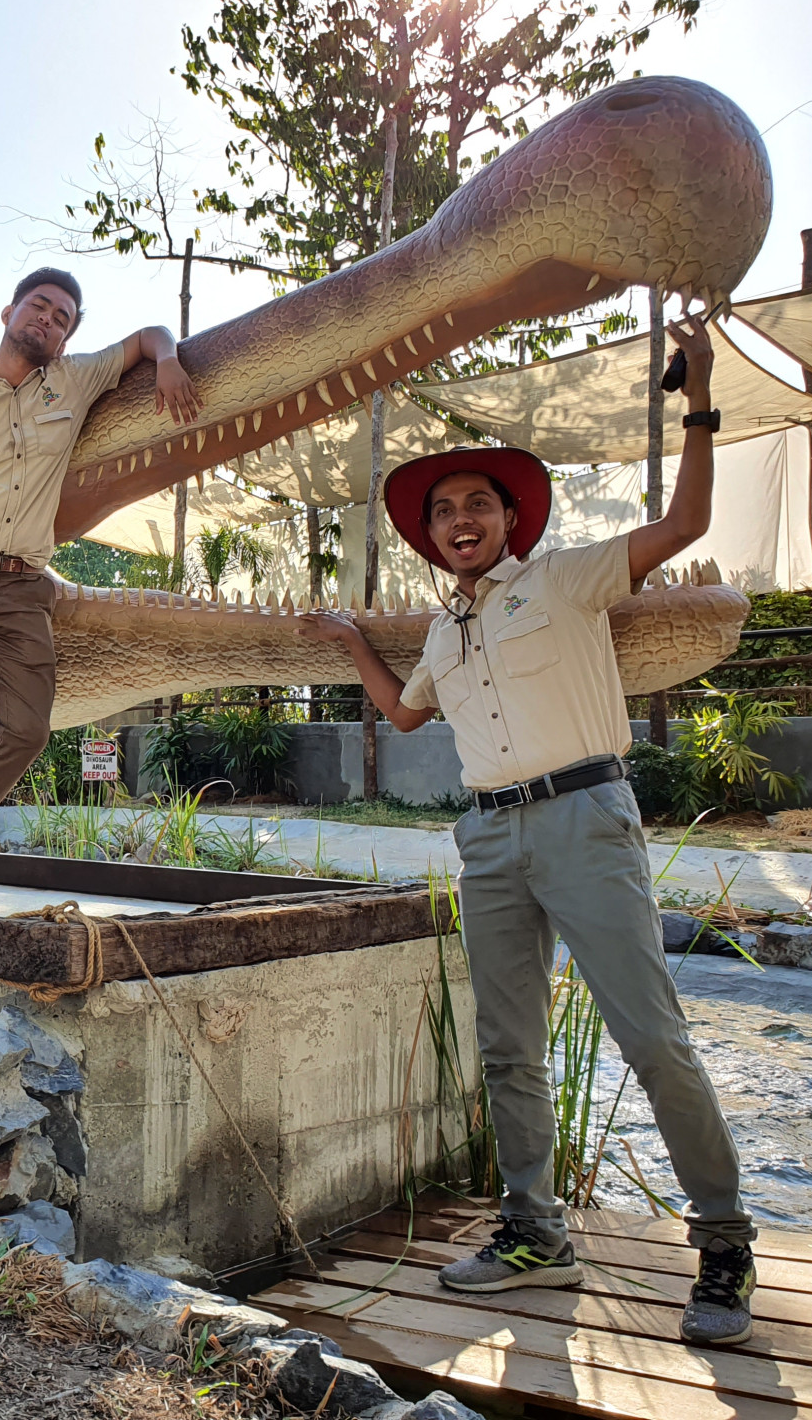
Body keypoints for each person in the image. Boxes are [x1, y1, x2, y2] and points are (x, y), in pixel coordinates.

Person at [297, 316, 756, 1345]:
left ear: (511, 519)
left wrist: (698, 399)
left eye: (476, 503)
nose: (459, 519)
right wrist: (346, 646)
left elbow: (682, 522)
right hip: (489, 839)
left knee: (649, 1038)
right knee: (508, 1049)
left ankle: (722, 1244)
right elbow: (409, 714)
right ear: (431, 538)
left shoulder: (566, 578)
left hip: (584, 817)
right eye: (443, 511)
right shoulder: (441, 628)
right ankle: (532, 1233)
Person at [0, 268, 201, 904]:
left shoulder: (76, 378)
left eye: (62, 317)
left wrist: (171, 359)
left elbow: (150, 335)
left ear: (67, 338)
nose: (48, 319)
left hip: (23, 588)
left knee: (27, 731)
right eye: (39, 307)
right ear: (9, 310)